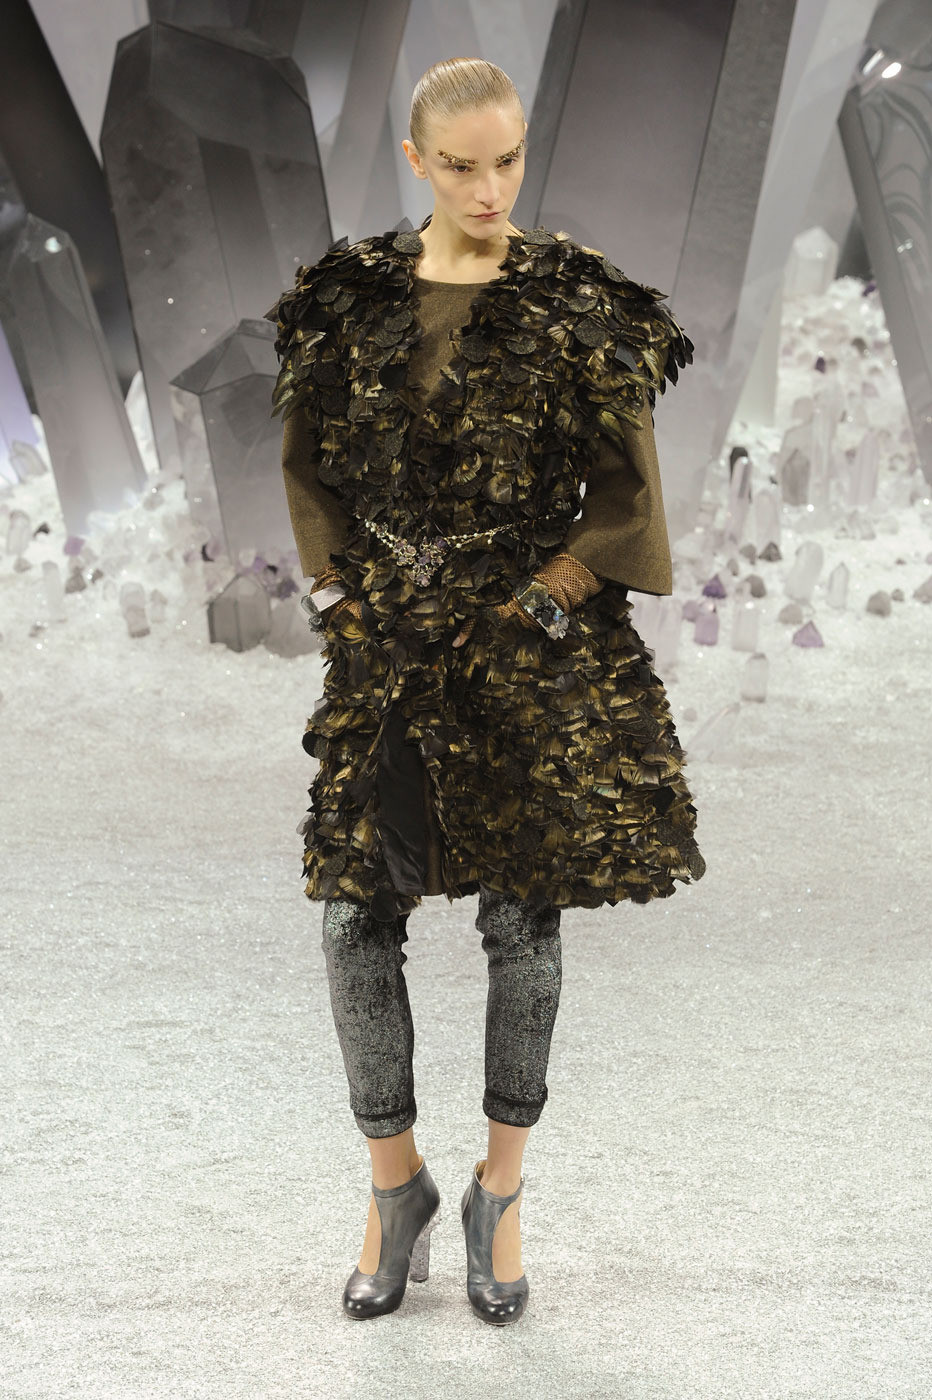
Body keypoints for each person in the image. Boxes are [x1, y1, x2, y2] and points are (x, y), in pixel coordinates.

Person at [265, 56, 706, 1327]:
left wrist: (546, 596)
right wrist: (339, 594)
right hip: (389, 644)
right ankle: (391, 1183)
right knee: (354, 917)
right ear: (416, 161)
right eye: (460, 165)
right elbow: (305, 465)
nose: (488, 187)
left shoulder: (577, 302)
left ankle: (499, 1193)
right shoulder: (348, 299)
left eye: (505, 159)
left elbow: (626, 493)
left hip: (524, 644)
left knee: (523, 924)